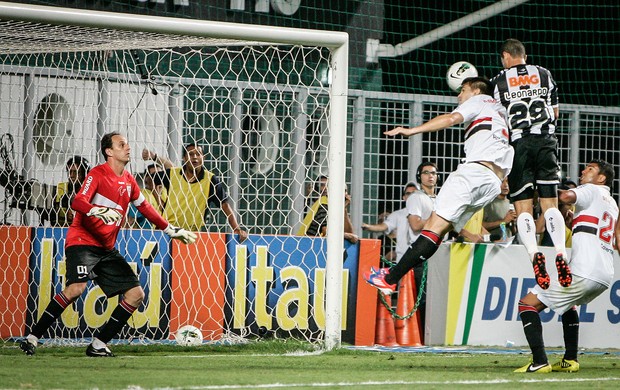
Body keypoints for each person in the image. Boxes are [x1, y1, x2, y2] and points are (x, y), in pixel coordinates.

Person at [20, 132, 197, 357]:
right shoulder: (97, 174)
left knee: (136, 294)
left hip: (106, 248)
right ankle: (32, 338)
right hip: (83, 241)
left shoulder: (129, 180)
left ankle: (98, 344)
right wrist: (97, 210)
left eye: (127, 143)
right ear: (109, 151)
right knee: (76, 289)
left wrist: (170, 229)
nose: (128, 147)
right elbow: (77, 201)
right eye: (121, 144)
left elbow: (145, 208)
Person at [363, 76, 514, 294]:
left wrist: (411, 130)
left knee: (433, 227)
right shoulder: (502, 112)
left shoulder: (480, 99)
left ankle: (390, 279)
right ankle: (393, 277)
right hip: (493, 182)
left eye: (463, 90)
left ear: (476, 91)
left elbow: (451, 118)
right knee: (443, 230)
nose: (459, 95)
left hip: (474, 173)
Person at [514, 160, 618, 373]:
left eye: (590, 169)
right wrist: (572, 223)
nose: (583, 171)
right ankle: (570, 359)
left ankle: (540, 361)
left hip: (584, 269)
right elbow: (595, 230)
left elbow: (565, 197)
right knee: (569, 305)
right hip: (604, 274)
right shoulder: (612, 203)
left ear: (602, 178)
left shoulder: (591, 190)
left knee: (527, 305)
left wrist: (540, 187)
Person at [490, 38, 571, 290]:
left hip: (518, 145)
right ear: (523, 55)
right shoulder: (544, 74)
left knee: (523, 209)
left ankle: (534, 254)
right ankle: (560, 253)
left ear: (505, 56)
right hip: (546, 142)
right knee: (550, 205)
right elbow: (555, 112)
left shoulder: (497, 82)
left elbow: (498, 121)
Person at [142, 146, 248, 242]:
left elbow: (224, 204)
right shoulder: (173, 174)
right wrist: (159, 201)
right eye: (190, 154)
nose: (194, 157)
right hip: (166, 230)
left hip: (190, 235)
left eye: (198, 154)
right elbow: (151, 178)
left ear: (203, 157)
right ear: (184, 158)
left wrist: (236, 228)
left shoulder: (210, 180)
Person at [361, 182, 417, 262]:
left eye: (414, 193)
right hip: (402, 262)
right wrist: (369, 227)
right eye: (408, 193)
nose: (411, 196)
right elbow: (384, 226)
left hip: (420, 260)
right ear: (404, 197)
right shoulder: (397, 215)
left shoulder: (427, 213)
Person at [298, 176, 358, 244]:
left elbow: (350, 233)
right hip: (308, 245)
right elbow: (326, 231)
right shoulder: (323, 205)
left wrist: (344, 209)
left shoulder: (336, 208)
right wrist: (348, 236)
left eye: (344, 191)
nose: (343, 194)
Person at [50, 156, 90, 227]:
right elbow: (51, 215)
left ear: (84, 174)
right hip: (60, 231)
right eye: (69, 172)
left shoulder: (90, 192)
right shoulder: (60, 189)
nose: (71, 175)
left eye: (76, 172)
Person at [126, 164, 166, 229]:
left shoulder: (167, 192)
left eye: (160, 174)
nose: (157, 177)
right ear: (145, 179)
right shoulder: (142, 195)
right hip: (149, 234)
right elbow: (130, 221)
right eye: (153, 175)